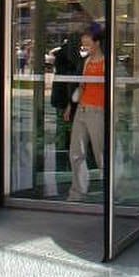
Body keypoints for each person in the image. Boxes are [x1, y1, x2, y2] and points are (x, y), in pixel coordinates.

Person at [66, 23, 105, 201]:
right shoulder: (87, 62)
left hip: (98, 111)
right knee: (76, 152)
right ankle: (77, 193)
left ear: (97, 43)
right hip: (82, 109)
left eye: (88, 44)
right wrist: (71, 105)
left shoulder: (106, 63)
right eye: (83, 45)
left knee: (101, 153)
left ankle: (111, 194)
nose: (85, 48)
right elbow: (82, 86)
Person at [49, 33, 83, 178]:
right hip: (66, 98)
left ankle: (62, 161)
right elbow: (71, 81)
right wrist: (70, 102)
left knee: (62, 129)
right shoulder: (71, 55)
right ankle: (65, 161)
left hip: (61, 97)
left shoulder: (62, 53)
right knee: (66, 129)